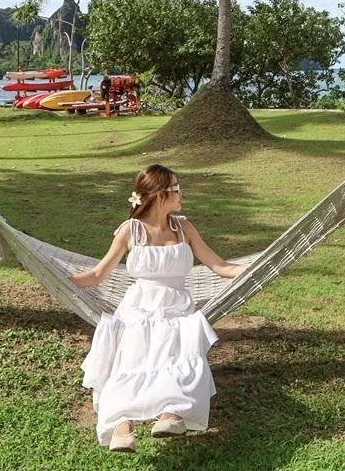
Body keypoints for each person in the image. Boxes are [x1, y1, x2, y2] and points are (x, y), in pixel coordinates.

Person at [68, 164, 245, 452]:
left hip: (177, 305)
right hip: (139, 305)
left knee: (176, 345)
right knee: (131, 351)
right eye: (175, 189)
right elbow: (99, 274)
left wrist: (256, 267)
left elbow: (219, 266)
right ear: (160, 195)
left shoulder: (183, 227)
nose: (180, 194)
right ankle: (122, 425)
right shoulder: (130, 231)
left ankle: (170, 413)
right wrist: (61, 277)